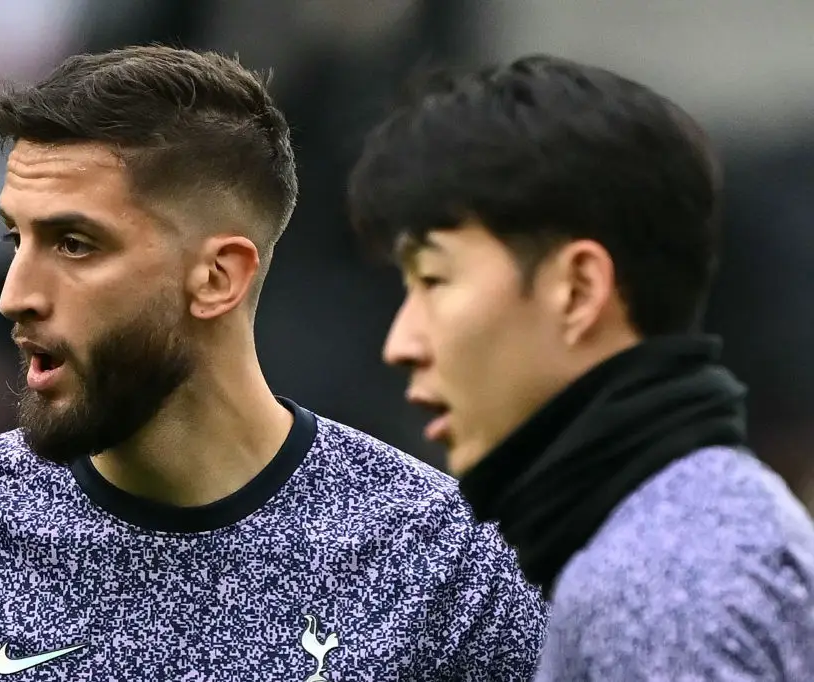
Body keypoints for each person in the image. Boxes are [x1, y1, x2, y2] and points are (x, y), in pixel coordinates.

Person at [0, 46, 548, 681]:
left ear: (218, 277)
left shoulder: (438, 557)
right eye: (15, 242)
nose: (15, 296)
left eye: (74, 244)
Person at [347, 54, 814, 681]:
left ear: (577, 289)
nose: (401, 342)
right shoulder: (695, 528)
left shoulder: (653, 585)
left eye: (434, 279)